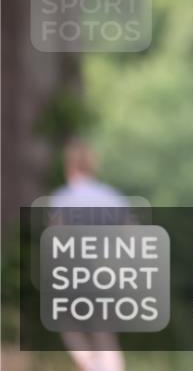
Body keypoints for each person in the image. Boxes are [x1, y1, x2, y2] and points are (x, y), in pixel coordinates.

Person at [49, 138, 128, 371]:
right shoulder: (114, 198)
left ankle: (90, 364)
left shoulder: (62, 199)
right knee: (105, 337)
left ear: (70, 167)